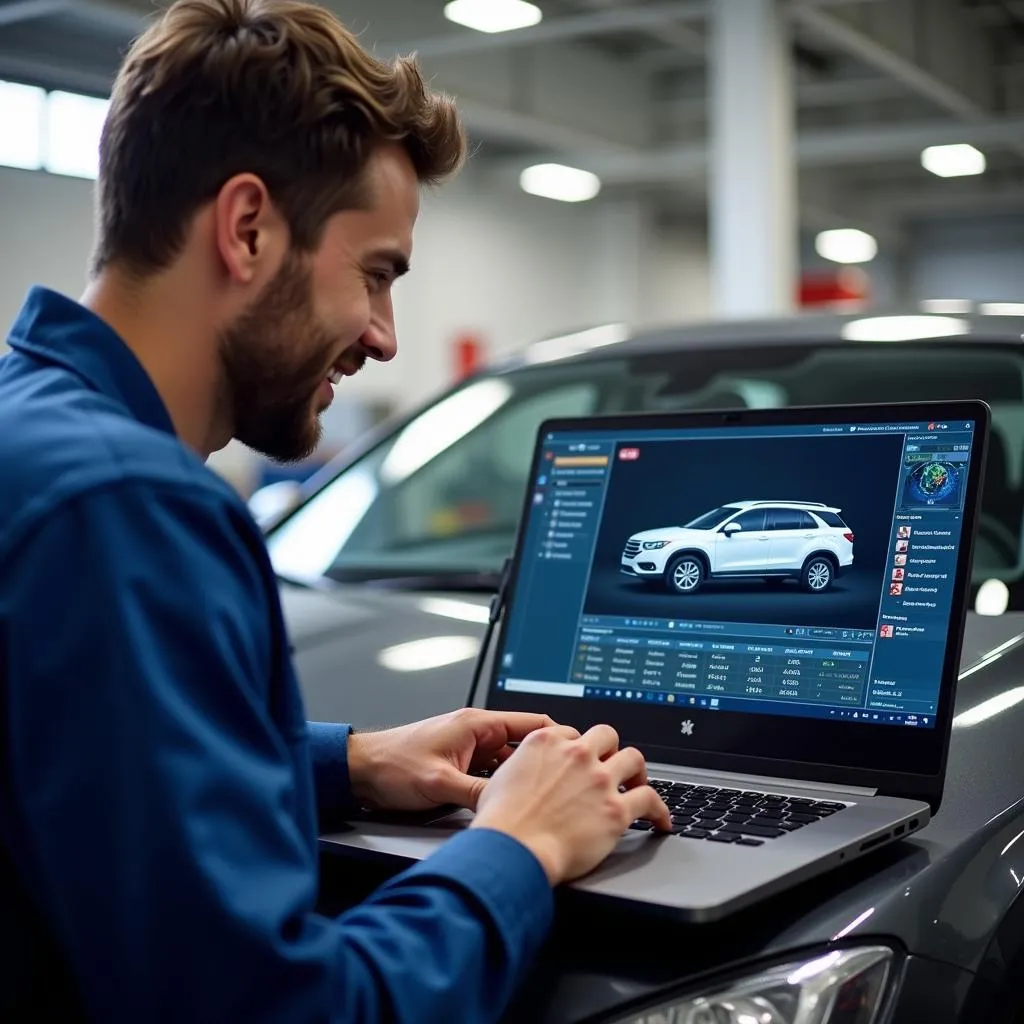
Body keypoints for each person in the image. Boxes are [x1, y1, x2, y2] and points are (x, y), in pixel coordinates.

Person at [0, 0, 671, 1020]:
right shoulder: (129, 507)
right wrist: (517, 845)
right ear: (248, 228)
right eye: (376, 275)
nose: (386, 337)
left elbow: (61, 762)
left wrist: (345, 762)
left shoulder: (29, 428)